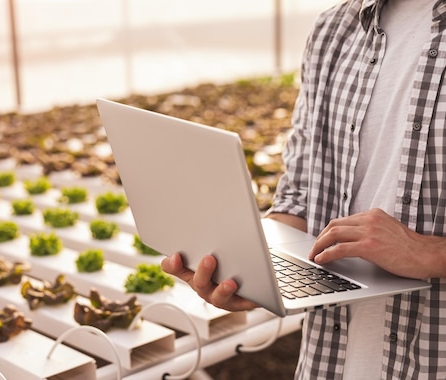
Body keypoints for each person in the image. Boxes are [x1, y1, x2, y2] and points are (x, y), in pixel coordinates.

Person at [161, 0, 446, 379]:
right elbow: (299, 195)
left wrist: (432, 254)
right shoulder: (335, 29)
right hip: (332, 359)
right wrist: (255, 265)